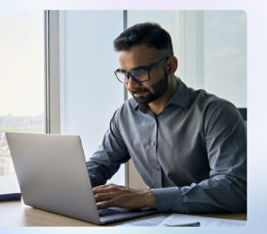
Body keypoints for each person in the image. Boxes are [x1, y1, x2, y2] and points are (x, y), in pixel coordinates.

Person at [87, 22, 247, 214]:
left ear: (171, 65)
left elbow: (235, 188)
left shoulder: (216, 113)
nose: (131, 84)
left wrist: (146, 197)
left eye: (140, 73)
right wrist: (64, 185)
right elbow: (100, 165)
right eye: (124, 74)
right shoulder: (125, 115)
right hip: (156, 222)